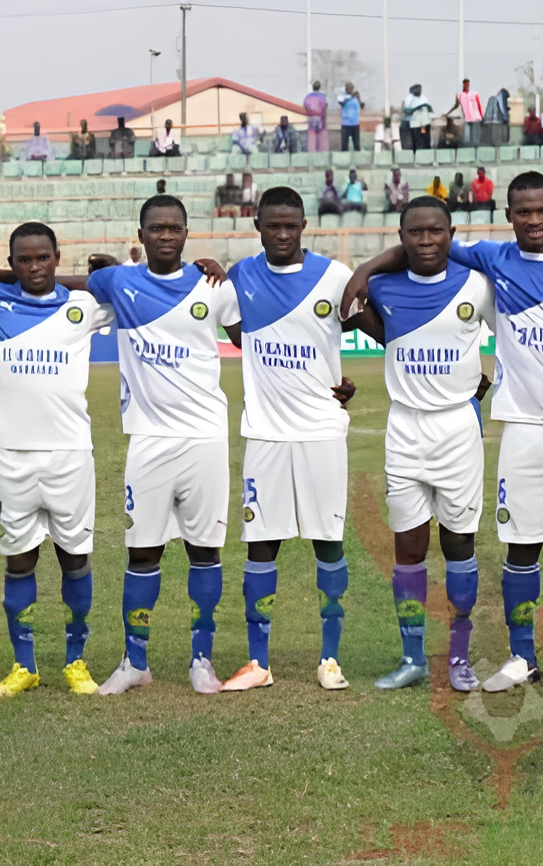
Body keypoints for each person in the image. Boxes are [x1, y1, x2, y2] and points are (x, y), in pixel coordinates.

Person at [343, 170, 543, 693]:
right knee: (519, 551)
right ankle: (522, 658)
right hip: (521, 433)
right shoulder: (492, 262)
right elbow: (421, 244)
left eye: (542, 210)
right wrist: (366, 267)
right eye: (523, 211)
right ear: (508, 216)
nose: (534, 220)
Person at [76, 196, 243, 695]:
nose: (166, 235)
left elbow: (252, 340)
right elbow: (68, 282)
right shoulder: (119, 282)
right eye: (156, 228)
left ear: (187, 233)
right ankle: (136, 661)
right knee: (141, 553)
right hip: (147, 441)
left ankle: (201, 660)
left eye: (174, 228)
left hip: (205, 438)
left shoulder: (214, 286)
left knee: (204, 551)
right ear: (142, 234)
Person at [0, 223, 116, 698]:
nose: (34, 267)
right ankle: (24, 665)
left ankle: (75, 662)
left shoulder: (81, 307)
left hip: (70, 455)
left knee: (75, 559)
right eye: (22, 260)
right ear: (11, 262)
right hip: (13, 457)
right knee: (19, 562)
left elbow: (128, 284)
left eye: (43, 257)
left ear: (57, 256)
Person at [339, 196, 494, 691]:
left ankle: (458, 659)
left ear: (452, 233)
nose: (426, 241)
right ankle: (412, 659)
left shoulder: (478, 285)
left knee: (458, 543)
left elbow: (513, 336)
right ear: (401, 238)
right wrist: (366, 268)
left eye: (436, 232)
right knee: (408, 547)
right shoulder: (382, 287)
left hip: (457, 430)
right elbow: (348, 312)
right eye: (415, 233)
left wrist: (488, 385)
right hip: (404, 429)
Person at [221, 187, 357, 692]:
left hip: (322, 430)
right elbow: (235, 333)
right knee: (261, 544)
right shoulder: (239, 277)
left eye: (291, 225)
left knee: (328, 541)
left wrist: (347, 383)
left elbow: (384, 327)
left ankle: (330, 660)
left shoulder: (335, 277)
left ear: (305, 225)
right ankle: (259, 663)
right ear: (257, 225)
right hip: (265, 435)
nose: (282, 234)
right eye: (272, 225)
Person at [448, 78, 484, 147]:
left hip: (475, 117)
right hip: (467, 118)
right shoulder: (460, 95)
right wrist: (449, 112)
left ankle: (476, 149)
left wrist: (481, 116)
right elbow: (456, 105)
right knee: (467, 138)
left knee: (475, 137)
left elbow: (479, 105)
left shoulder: (474, 94)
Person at [405, 85, 435, 151]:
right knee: (416, 140)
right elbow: (407, 111)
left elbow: (430, 110)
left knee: (425, 139)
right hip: (415, 125)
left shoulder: (424, 98)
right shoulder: (409, 99)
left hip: (424, 123)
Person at [305, 81, 329, 152]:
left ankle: (311, 154)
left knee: (311, 138)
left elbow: (306, 106)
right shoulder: (322, 96)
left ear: (313, 88)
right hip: (321, 119)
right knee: (321, 138)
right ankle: (322, 154)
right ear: (319, 87)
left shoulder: (308, 96)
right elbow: (325, 107)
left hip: (311, 119)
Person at [338, 83, 362, 151]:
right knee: (344, 146)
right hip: (345, 124)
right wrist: (351, 96)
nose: (349, 90)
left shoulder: (355, 97)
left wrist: (358, 98)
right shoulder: (342, 96)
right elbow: (341, 102)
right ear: (346, 89)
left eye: (351, 89)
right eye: (348, 89)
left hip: (355, 124)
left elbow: (361, 105)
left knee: (357, 145)